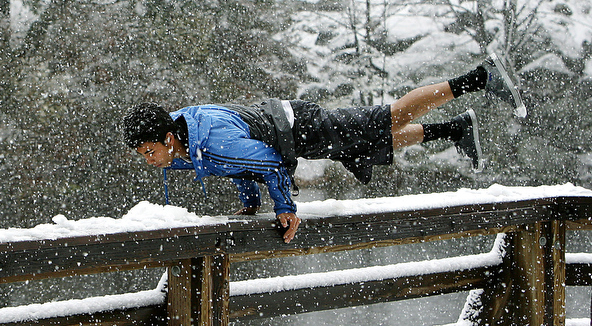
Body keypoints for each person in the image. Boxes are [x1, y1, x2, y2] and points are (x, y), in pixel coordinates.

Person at [122, 55, 525, 243]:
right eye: (142, 155)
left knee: (389, 117)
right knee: (368, 143)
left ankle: (477, 78)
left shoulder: (208, 141)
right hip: (291, 126)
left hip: (300, 129)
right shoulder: (182, 131)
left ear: (167, 138)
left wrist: (284, 208)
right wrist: (248, 205)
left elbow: (267, 162)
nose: (148, 160)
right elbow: (235, 166)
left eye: (148, 151)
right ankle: (454, 129)